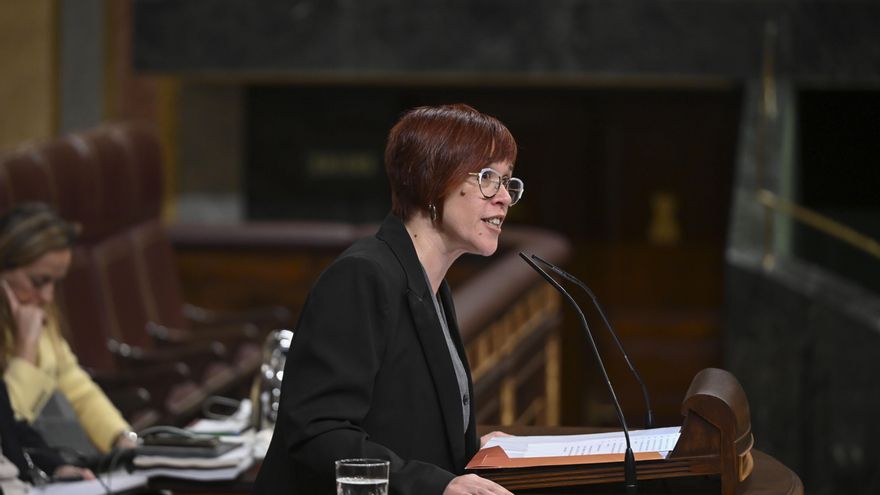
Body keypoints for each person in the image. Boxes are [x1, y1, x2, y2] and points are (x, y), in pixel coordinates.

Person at [255, 104, 525, 494]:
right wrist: (439, 487)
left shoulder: (430, 282)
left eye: (507, 181)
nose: (503, 198)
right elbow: (317, 433)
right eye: (488, 178)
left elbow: (400, 425)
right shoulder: (361, 277)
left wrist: (475, 451)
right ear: (433, 179)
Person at [0, 203, 137, 454]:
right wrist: (25, 352)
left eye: (55, 283)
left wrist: (122, 437)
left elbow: (73, 382)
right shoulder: (26, 324)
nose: (47, 296)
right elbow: (4, 428)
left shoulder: (33, 310)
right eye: (38, 281)